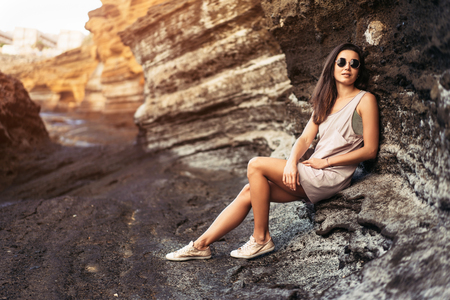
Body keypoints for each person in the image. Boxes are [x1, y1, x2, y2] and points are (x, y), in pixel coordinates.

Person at [165, 43, 379, 261]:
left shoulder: (364, 100)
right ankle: (201, 245)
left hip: (329, 175)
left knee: (256, 165)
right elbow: (305, 139)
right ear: (332, 67)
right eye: (341, 62)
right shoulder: (326, 101)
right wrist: (290, 162)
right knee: (250, 191)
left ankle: (261, 239)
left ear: (359, 70)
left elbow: (370, 150)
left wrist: (327, 162)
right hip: (312, 171)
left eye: (354, 64)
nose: (347, 67)